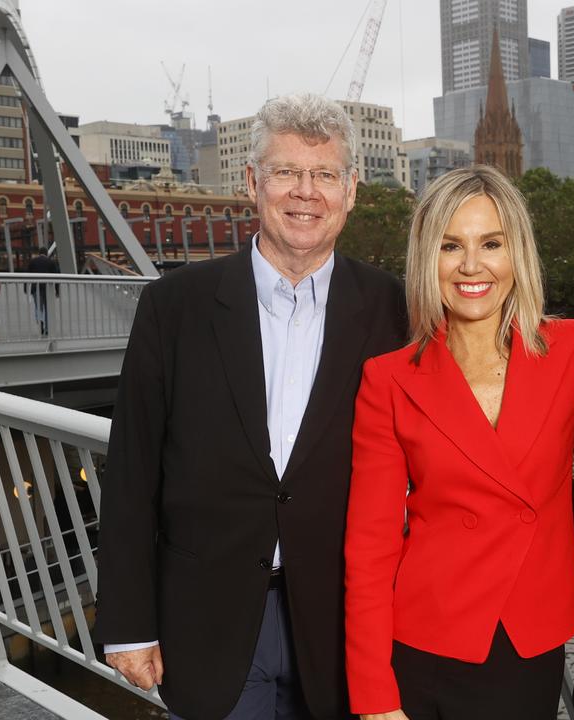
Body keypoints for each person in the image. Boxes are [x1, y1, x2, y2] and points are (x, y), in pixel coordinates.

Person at [94, 94, 407, 720]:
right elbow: (131, 473)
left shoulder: (394, 309)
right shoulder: (174, 308)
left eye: (324, 175)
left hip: (346, 622)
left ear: (351, 192)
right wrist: (127, 623)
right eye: (287, 172)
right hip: (207, 619)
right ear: (251, 183)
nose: (305, 192)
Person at [344, 165, 574, 720]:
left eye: (492, 244)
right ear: (425, 259)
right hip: (425, 640)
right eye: (450, 246)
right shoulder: (389, 379)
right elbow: (370, 549)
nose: (471, 266)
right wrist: (375, 696)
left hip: (527, 638)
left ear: (517, 254)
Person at [25, 246, 59, 335]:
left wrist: (26, 288)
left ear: (39, 253)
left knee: (38, 307)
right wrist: (57, 291)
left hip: (36, 288)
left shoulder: (33, 261)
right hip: (47, 288)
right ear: (47, 253)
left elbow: (27, 275)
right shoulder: (51, 262)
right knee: (47, 309)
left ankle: (40, 321)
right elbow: (56, 277)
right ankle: (47, 329)